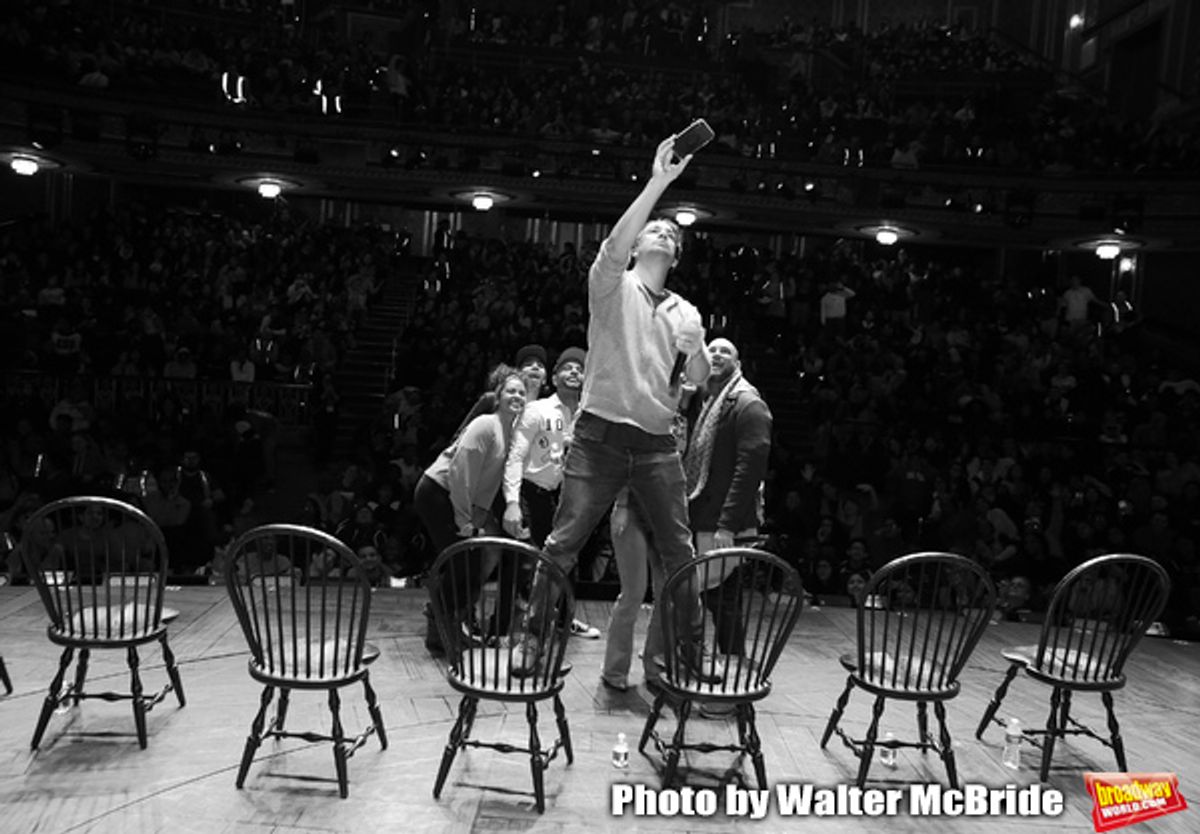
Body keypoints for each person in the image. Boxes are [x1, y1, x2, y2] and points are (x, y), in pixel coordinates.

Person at [511, 134, 719, 684]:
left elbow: (696, 380)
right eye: (655, 228)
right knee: (564, 540)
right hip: (600, 436)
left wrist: (696, 348)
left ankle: (692, 651)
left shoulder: (686, 311)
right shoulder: (611, 286)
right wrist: (660, 183)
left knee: (679, 551)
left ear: (677, 255)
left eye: (670, 234)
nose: (661, 233)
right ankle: (532, 638)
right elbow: (617, 240)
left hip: (655, 444)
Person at [413, 364, 527, 653]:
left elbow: (487, 482)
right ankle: (441, 629)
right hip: (438, 492)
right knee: (463, 562)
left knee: (467, 564)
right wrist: (465, 521)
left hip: (455, 496)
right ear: (497, 396)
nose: (517, 396)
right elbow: (461, 474)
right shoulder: (486, 424)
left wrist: (477, 514)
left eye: (521, 392)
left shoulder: (508, 430)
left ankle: (445, 628)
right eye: (511, 390)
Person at [680, 337, 772, 656]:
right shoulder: (709, 401)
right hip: (703, 515)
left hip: (723, 523)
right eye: (712, 350)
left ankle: (731, 669)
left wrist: (727, 526)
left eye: (726, 351)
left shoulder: (748, 404)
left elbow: (749, 473)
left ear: (738, 362)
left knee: (721, 600)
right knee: (716, 598)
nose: (716, 354)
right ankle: (713, 660)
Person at [501, 346, 600, 638]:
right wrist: (512, 502)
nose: (574, 372)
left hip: (570, 497)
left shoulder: (589, 416)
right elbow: (516, 457)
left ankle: (564, 621)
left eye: (579, 369)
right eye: (567, 368)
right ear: (554, 377)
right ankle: (519, 630)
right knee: (529, 563)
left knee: (570, 562)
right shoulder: (537, 409)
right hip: (534, 494)